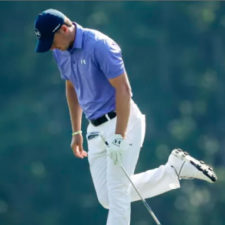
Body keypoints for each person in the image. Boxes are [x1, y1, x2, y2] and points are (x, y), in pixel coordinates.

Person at [34, 9, 217, 225]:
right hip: (94, 129)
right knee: (107, 198)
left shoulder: (99, 45)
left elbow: (123, 90)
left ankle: (173, 170)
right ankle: (174, 170)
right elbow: (71, 86)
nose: (52, 48)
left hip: (123, 121)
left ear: (64, 29)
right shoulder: (60, 51)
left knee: (118, 192)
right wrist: (76, 130)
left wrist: (119, 137)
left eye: (52, 41)